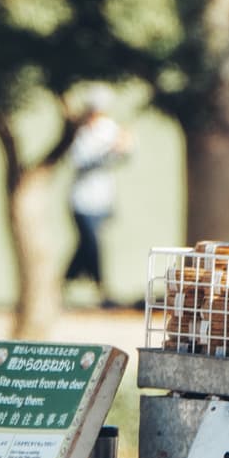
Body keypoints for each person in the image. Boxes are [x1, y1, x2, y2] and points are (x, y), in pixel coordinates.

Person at [63, 98, 129, 305]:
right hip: (82, 201)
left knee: (86, 246)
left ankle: (62, 284)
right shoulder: (80, 133)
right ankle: (102, 289)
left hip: (103, 200)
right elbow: (81, 160)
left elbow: (125, 154)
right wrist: (108, 150)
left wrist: (125, 145)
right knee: (92, 244)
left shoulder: (109, 129)